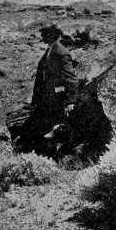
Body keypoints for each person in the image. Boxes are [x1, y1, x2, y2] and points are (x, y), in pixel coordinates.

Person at [17, 24, 79, 154]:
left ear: (53, 35)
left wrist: (70, 101)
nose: (42, 36)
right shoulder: (50, 50)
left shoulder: (61, 52)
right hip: (46, 98)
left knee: (53, 130)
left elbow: (71, 78)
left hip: (56, 99)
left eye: (45, 33)